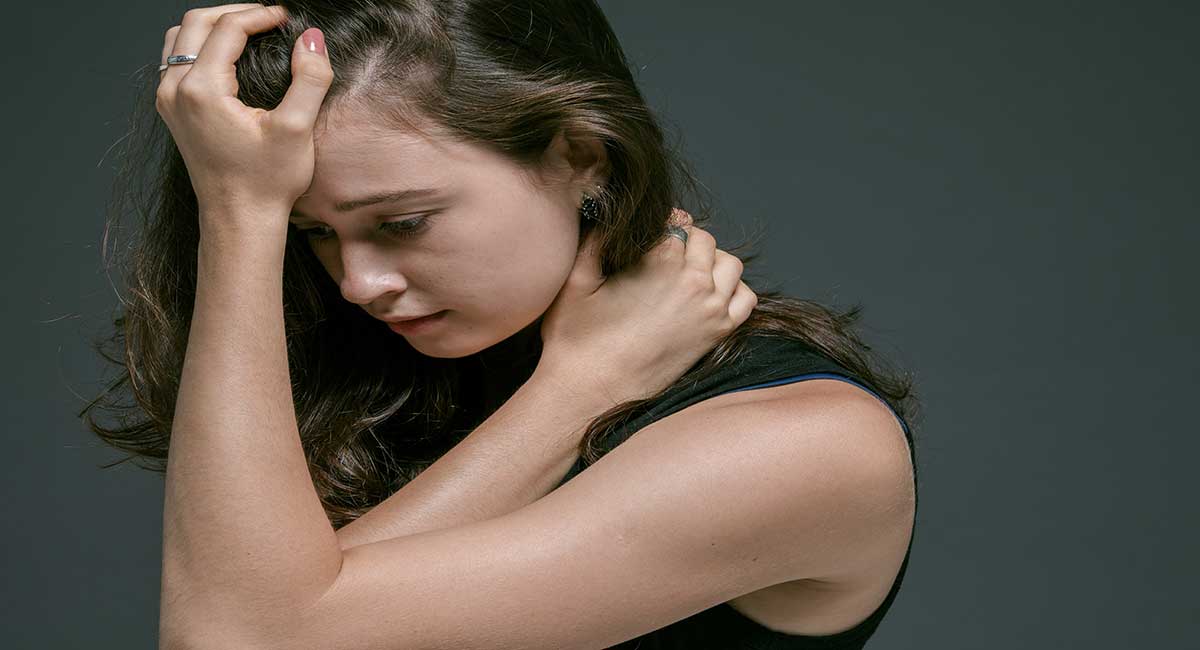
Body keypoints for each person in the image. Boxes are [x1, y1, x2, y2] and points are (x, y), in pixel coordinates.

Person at [83, 2, 921, 648]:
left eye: (403, 222)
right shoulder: (406, 378)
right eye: (310, 234)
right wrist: (577, 388)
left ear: (581, 153)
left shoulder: (807, 445)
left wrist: (233, 208)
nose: (358, 284)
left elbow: (238, 640)